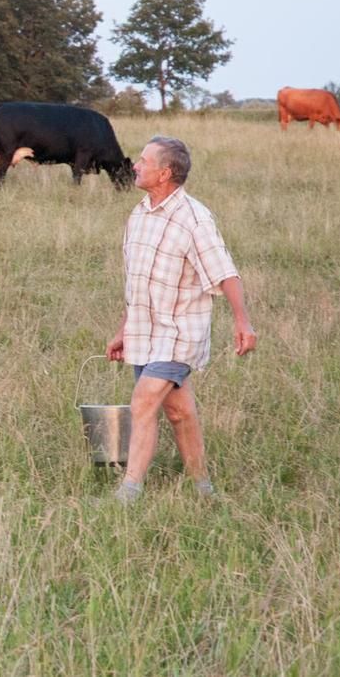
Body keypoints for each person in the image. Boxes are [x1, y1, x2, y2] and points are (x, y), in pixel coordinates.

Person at [106, 136, 256, 503]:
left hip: (179, 333)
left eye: (144, 161)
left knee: (142, 402)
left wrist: (243, 321)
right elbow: (137, 281)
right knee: (178, 410)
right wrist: (124, 329)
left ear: (165, 173)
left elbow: (225, 272)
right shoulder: (139, 213)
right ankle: (203, 488)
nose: (135, 166)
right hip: (145, 331)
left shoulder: (194, 219)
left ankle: (129, 491)